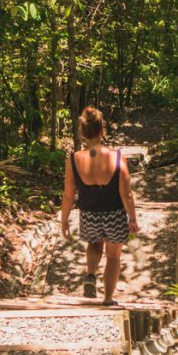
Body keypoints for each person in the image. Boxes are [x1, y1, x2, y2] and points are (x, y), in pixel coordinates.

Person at [60, 106, 139, 305]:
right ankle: (108, 299)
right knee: (113, 256)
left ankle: (91, 275)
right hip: (114, 214)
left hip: (89, 214)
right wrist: (133, 218)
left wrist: (64, 220)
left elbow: (69, 195)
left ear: (82, 133)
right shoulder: (117, 157)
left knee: (94, 244)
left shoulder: (74, 159)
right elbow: (126, 193)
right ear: (102, 131)